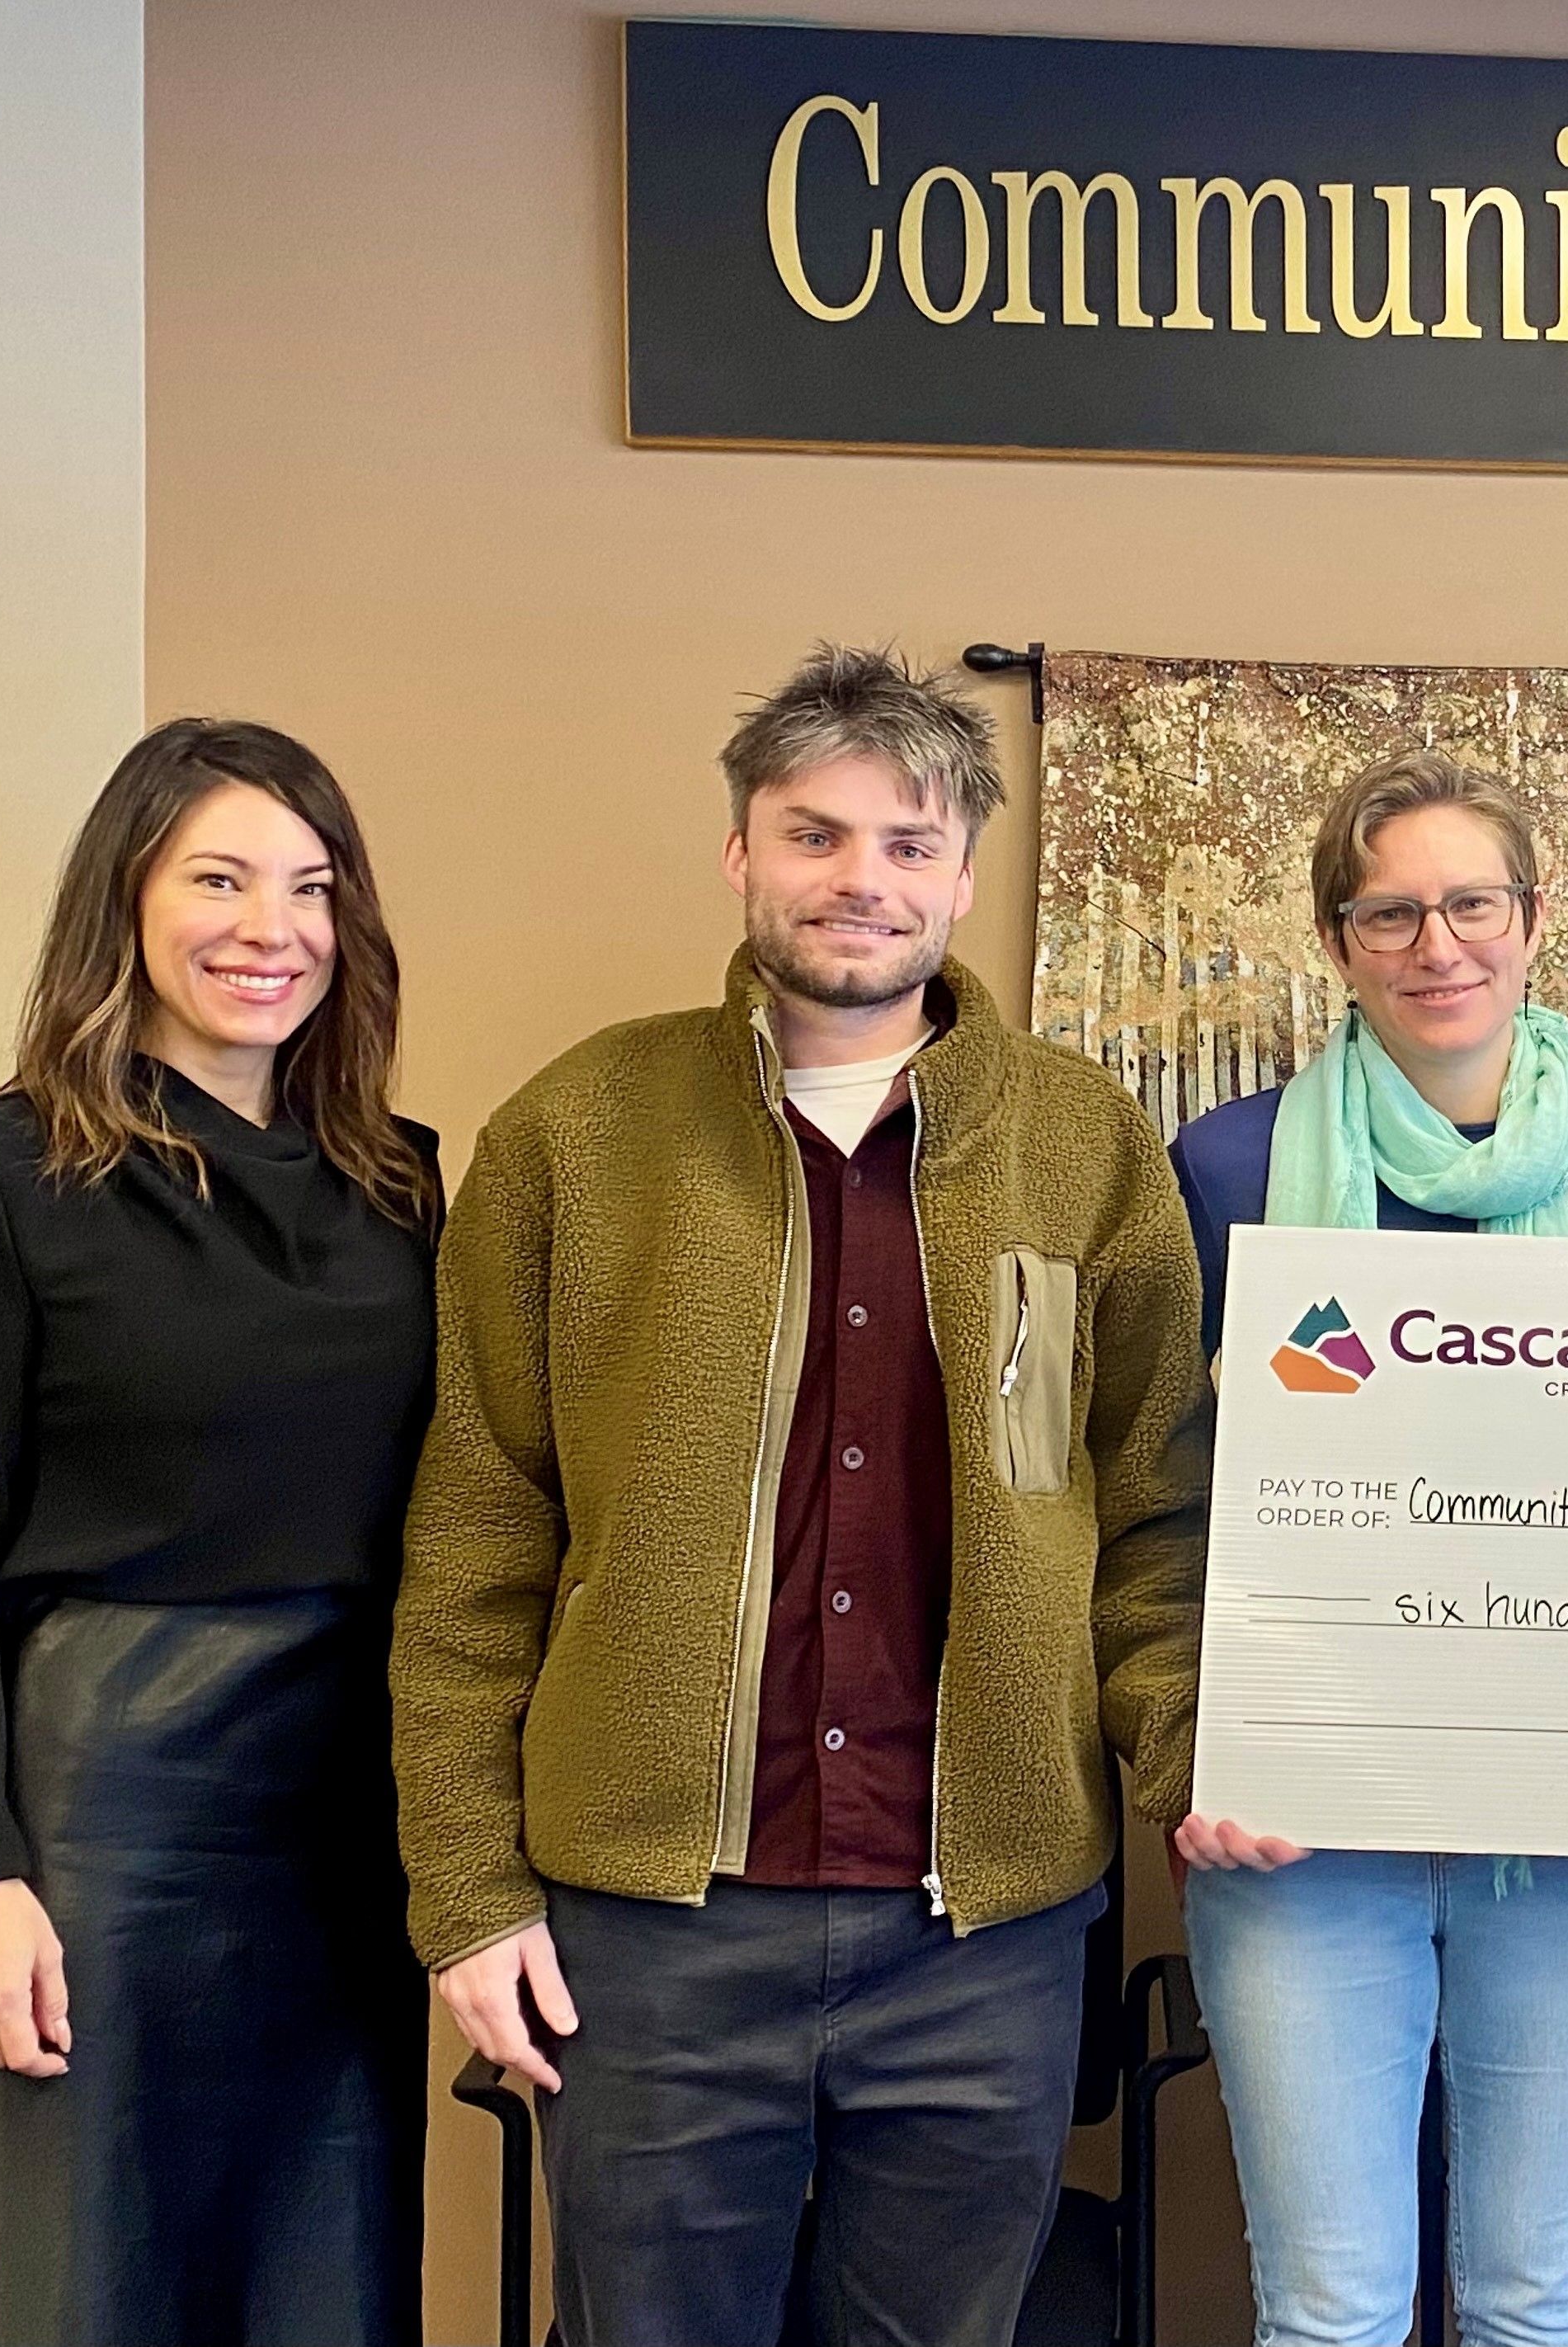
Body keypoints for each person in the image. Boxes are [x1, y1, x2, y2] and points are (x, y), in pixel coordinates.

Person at [389, 645, 1211, 2347]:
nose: (861, 878)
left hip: (980, 1931)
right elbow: (476, 1535)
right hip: (656, 1932)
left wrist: (1194, 1757)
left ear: (963, 877)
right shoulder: (574, 1133)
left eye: (909, 844)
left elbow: (1153, 1520)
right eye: (814, 834)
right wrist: (466, 1888)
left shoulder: (1085, 1145)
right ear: (739, 854)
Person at [1167, 748, 1568, 2347]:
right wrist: (1194, 1743)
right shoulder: (1225, 1169)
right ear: (1336, 941)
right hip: (1299, 1829)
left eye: (1471, 903)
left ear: (1533, 918)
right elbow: (1162, 1497)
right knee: (1329, 2309)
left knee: (1540, 2302)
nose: (1435, 944)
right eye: (1388, 912)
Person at [0, 721, 440, 2346]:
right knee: (93, 2285)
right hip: (111, 1817)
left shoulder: (400, 1186)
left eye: (312, 888)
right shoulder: (10, 1173)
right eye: (221, 879)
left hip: (351, 1821)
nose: (272, 929)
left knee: (329, 2287)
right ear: (126, 897)